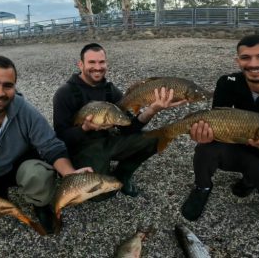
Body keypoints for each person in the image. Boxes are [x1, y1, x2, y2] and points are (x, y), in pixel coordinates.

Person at [0, 55, 91, 234]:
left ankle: (41, 205)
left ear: (14, 86)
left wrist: (70, 175)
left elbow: (50, 145)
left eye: (8, 85)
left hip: (15, 166)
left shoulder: (24, 110)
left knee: (39, 173)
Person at [181, 34, 259, 221]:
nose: (253, 64)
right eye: (246, 57)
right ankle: (202, 186)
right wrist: (206, 134)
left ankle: (250, 179)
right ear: (238, 61)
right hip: (231, 147)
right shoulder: (226, 83)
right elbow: (216, 119)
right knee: (206, 147)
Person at [53, 43, 185, 200]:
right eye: (92, 62)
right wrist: (85, 128)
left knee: (155, 138)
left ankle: (123, 174)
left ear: (106, 63)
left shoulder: (110, 91)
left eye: (101, 62)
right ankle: (89, 172)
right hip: (83, 147)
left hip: (109, 140)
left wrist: (152, 109)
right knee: (101, 196)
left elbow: (129, 127)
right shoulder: (65, 93)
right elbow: (60, 137)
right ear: (80, 64)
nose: (97, 67)